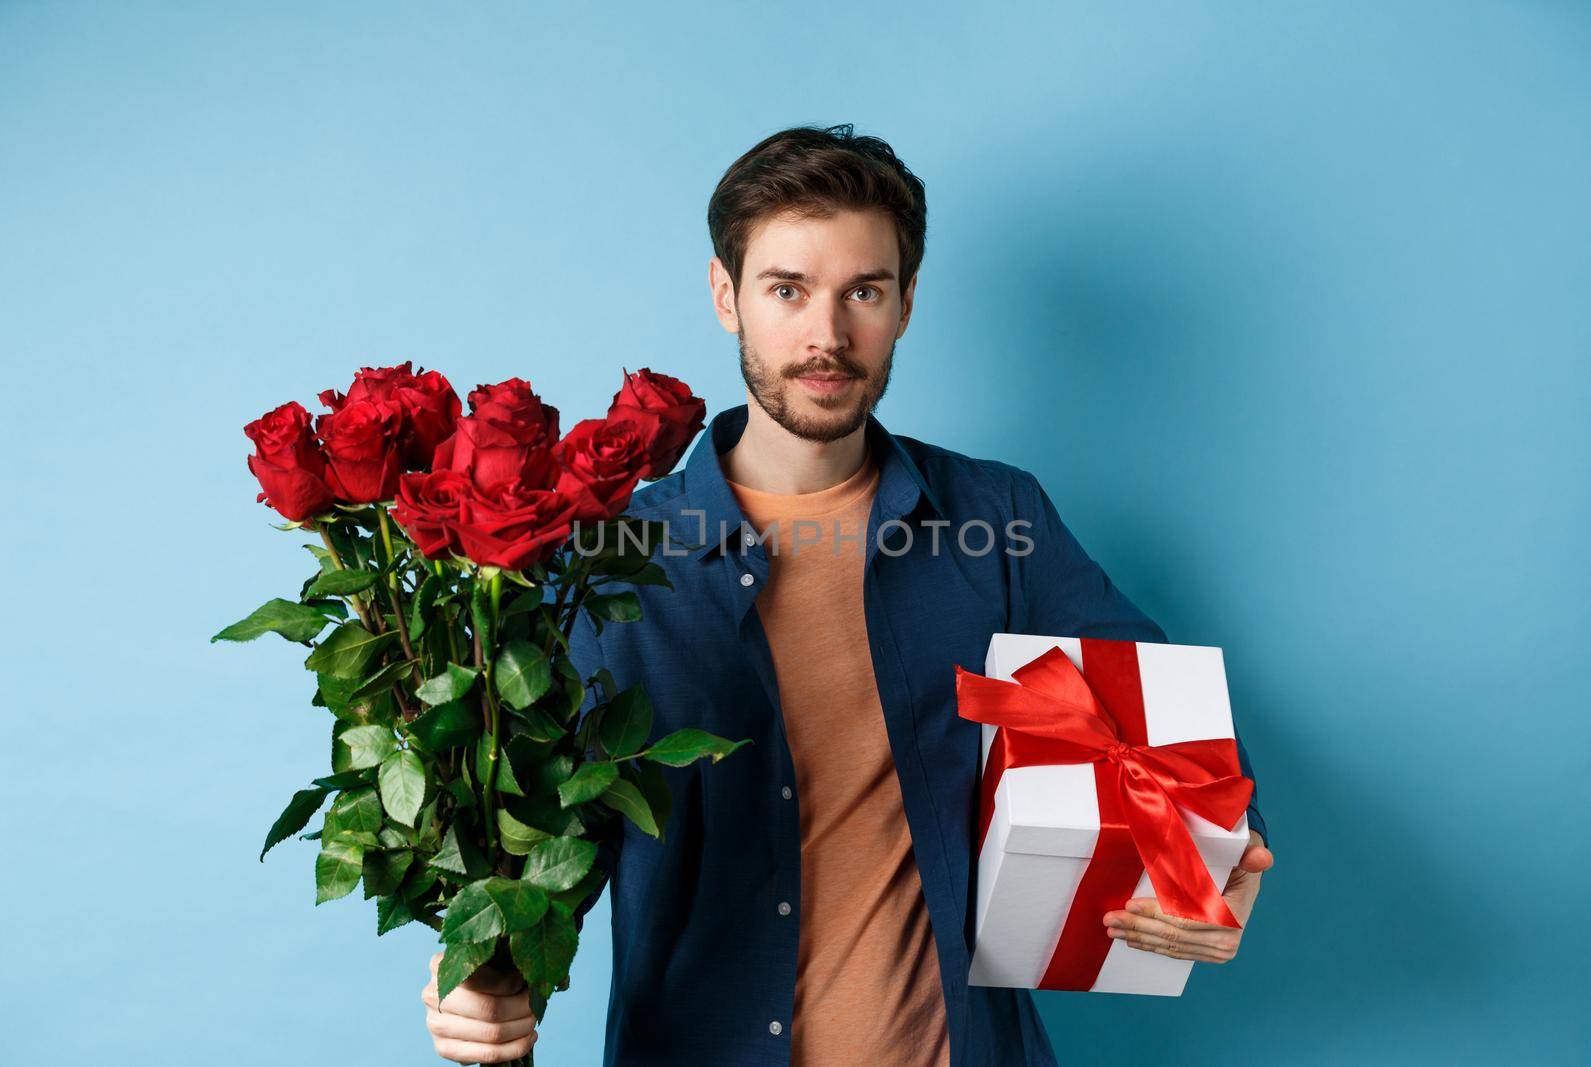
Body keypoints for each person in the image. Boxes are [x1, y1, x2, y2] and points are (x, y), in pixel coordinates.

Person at [420, 123, 1273, 1066]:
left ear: (905, 302)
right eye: (787, 289)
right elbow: (543, 852)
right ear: (725, 296)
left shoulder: (996, 517)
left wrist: (1220, 854)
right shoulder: (608, 564)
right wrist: (481, 974)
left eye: (862, 292)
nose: (827, 336)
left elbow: (1163, 723)